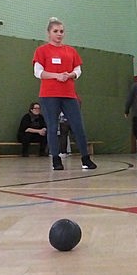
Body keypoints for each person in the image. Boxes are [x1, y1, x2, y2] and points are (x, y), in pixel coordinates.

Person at [32, 17, 97, 171]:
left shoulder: (71, 51)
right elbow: (38, 72)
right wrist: (56, 76)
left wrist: (70, 75)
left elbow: (78, 70)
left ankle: (85, 159)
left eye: (61, 31)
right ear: (48, 33)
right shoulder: (42, 51)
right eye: (55, 31)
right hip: (49, 95)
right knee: (53, 127)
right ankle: (56, 159)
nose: (59, 34)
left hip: (69, 94)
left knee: (78, 126)